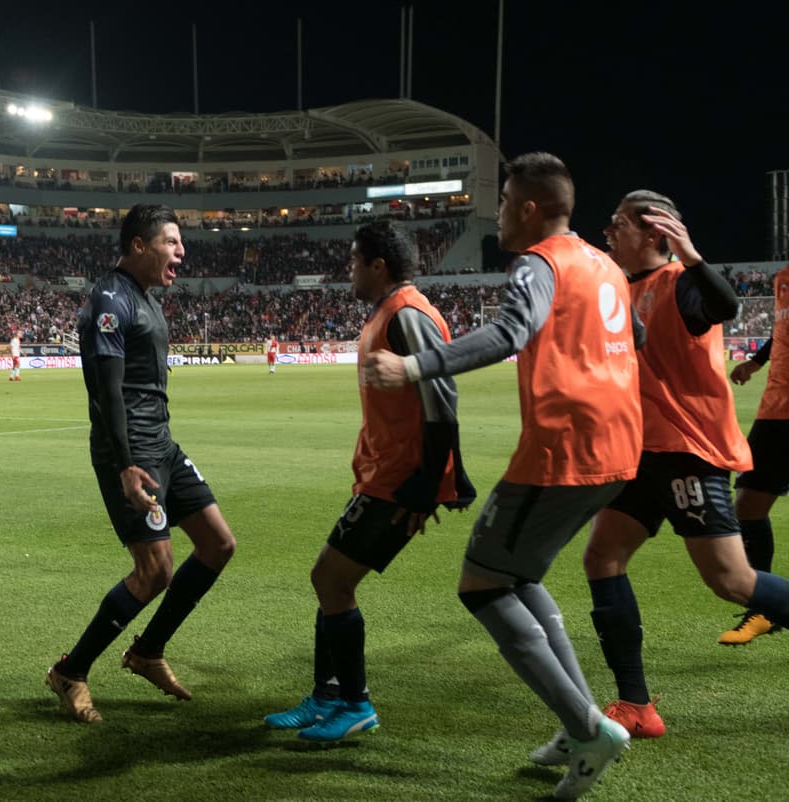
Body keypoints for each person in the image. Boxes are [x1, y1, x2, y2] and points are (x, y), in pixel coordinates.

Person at [364, 153, 642, 800]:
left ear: (527, 208)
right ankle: (580, 727)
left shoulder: (539, 263)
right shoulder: (605, 265)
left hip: (566, 450)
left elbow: (512, 331)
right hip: (618, 450)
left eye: (503, 201)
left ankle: (587, 728)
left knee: (482, 583)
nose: (495, 217)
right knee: (519, 576)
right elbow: (640, 338)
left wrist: (413, 368)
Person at [582, 192, 789, 739]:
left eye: (619, 223)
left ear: (655, 234)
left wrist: (692, 255)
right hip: (639, 452)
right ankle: (637, 707)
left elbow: (726, 308)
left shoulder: (681, 285)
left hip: (687, 452)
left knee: (731, 579)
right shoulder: (621, 289)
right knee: (603, 555)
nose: (608, 231)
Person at [263, 220, 475, 741]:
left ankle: (354, 702)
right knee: (330, 581)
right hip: (382, 476)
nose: (348, 270)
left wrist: (430, 485)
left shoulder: (406, 314)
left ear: (378, 265)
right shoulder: (388, 314)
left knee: (330, 579)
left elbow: (442, 402)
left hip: (399, 483)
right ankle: (327, 696)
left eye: (355, 260)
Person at [46, 204, 237, 723]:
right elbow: (107, 392)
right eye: (171, 242)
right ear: (138, 245)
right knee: (155, 571)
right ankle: (71, 670)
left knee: (218, 543)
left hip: (164, 446)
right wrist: (127, 465)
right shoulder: (110, 299)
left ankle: (147, 651)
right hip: (130, 453)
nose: (181, 251)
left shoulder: (145, 298)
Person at [727, 263, 789, 644]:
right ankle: (767, 608)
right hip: (776, 410)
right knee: (748, 506)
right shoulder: (782, 277)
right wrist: (757, 361)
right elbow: (780, 331)